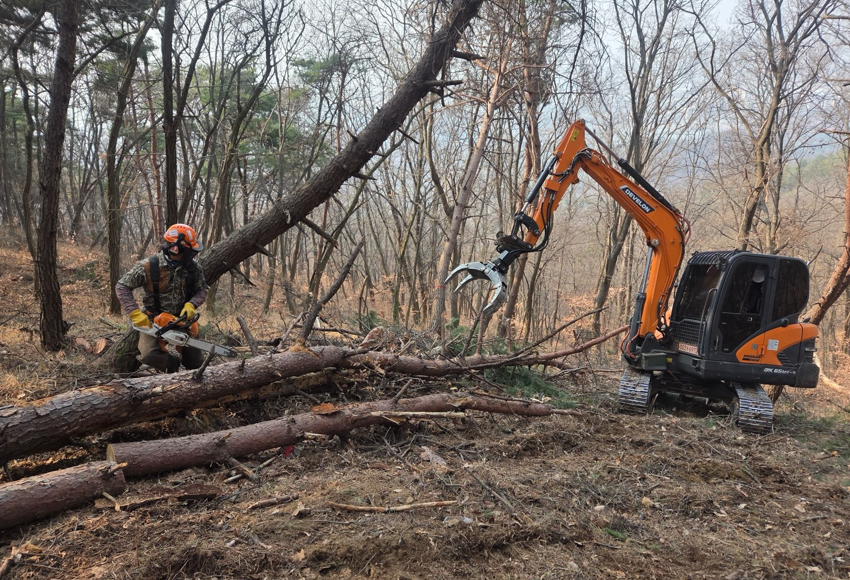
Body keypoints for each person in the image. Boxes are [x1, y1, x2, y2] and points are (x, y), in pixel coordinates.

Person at [116, 224, 209, 373]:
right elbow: (122, 286)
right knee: (149, 355)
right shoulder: (148, 266)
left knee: (195, 361)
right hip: (154, 321)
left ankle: (193, 375)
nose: (192, 254)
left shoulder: (193, 267)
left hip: (182, 319)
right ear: (176, 248)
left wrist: (192, 304)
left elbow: (202, 290)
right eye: (189, 251)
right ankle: (172, 367)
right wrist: (134, 313)